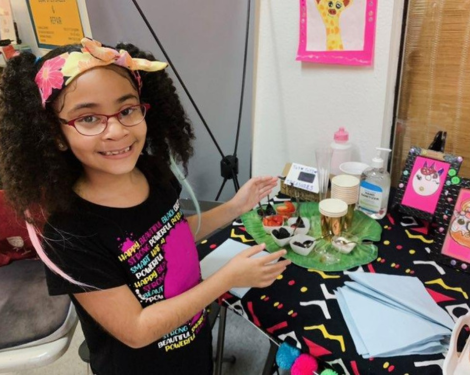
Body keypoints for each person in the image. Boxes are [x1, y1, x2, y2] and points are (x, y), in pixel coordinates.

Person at [0, 38, 291, 375]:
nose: (116, 131)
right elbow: (136, 330)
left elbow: (176, 233)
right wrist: (227, 278)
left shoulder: (152, 171)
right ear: (55, 133)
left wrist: (237, 206)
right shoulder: (70, 234)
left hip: (191, 342)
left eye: (127, 111)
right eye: (89, 118)